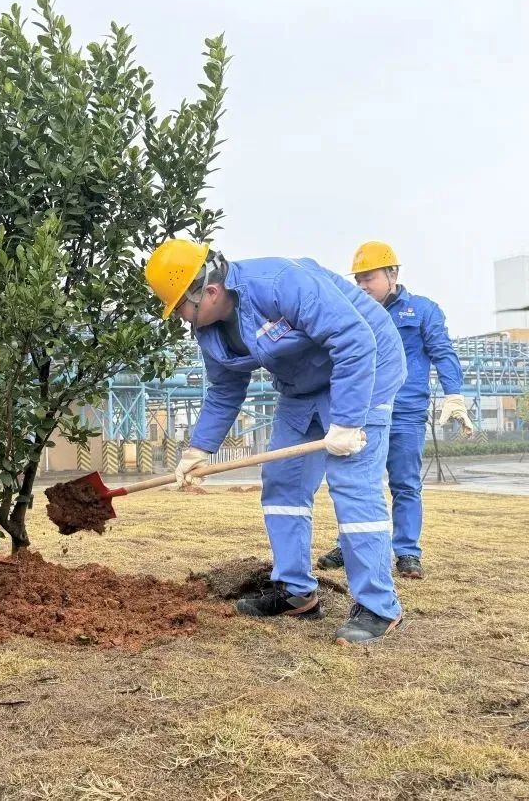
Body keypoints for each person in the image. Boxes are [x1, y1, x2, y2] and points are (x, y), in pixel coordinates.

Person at [147, 239, 407, 644]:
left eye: (181, 308)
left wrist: (347, 421)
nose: (181, 318)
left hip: (364, 371)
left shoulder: (280, 282)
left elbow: (354, 340)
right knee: (282, 481)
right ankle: (295, 592)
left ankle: (378, 606)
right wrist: (199, 450)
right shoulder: (209, 332)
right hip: (302, 386)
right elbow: (224, 388)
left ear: (209, 291)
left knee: (352, 484)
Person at [316, 241, 472, 580]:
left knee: (405, 483)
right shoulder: (352, 311)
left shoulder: (422, 311)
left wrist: (454, 395)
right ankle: (350, 544)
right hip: (365, 411)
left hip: (405, 412)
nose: (362, 285)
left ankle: (407, 552)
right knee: (357, 482)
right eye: (358, 279)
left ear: (393, 274)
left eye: (369, 277)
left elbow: (443, 352)